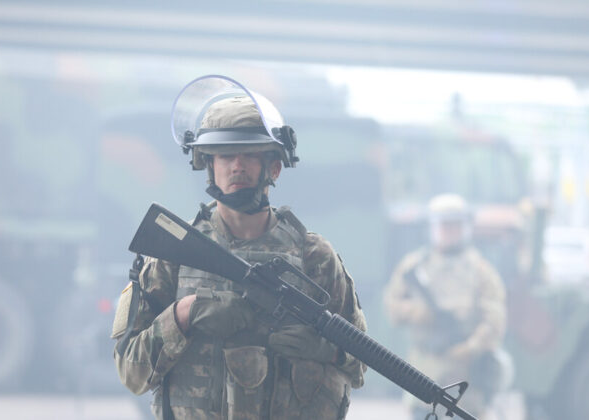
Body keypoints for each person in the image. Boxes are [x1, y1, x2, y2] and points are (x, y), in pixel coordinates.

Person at [112, 75, 366, 420]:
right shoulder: (173, 255)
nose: (237, 165)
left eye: (250, 155)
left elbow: (360, 362)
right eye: (225, 155)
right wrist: (185, 313)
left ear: (273, 166)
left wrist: (328, 349)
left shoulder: (314, 257)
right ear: (207, 165)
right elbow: (131, 371)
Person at [384, 193, 507, 419]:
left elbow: (494, 319)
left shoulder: (481, 271)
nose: (449, 231)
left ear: (465, 227)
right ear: (433, 227)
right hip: (423, 371)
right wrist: (415, 312)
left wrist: (472, 347)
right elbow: (393, 307)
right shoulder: (414, 266)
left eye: (455, 225)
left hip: (464, 378)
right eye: (443, 225)